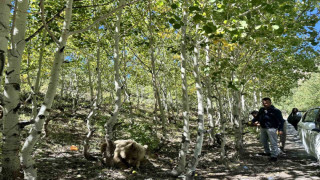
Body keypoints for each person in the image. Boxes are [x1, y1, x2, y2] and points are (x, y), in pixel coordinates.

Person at [252, 97, 284, 162]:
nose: (265, 104)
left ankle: (274, 156)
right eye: (263, 103)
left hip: (272, 128)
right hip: (263, 127)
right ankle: (267, 152)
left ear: (270, 103)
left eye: (266, 103)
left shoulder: (276, 111)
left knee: (273, 142)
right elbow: (257, 117)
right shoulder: (261, 110)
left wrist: (280, 129)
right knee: (263, 141)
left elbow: (281, 121)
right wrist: (252, 121)